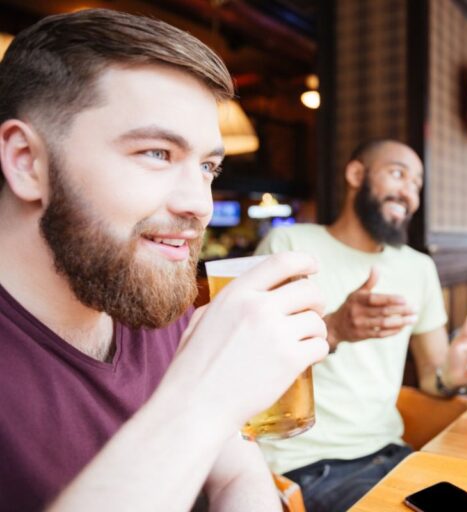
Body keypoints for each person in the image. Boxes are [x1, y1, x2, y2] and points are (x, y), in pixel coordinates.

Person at [0, 9, 328, 511]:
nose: (201, 203)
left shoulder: (148, 295)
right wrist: (206, 397)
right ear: (27, 162)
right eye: (156, 153)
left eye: (208, 167)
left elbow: (238, 476)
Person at [255, 139, 467, 511]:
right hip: (309, 466)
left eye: (417, 185)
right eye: (397, 174)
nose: (408, 192)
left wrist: (454, 373)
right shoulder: (290, 245)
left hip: (395, 454)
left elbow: (433, 378)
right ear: (356, 174)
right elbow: (255, 362)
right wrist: (335, 328)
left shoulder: (418, 267)